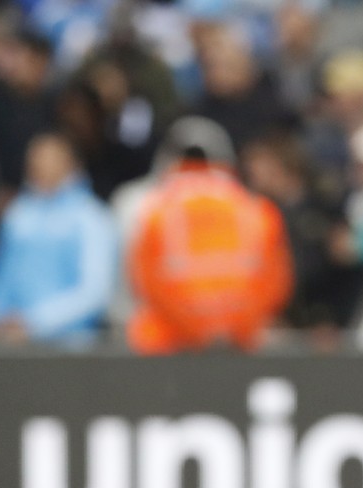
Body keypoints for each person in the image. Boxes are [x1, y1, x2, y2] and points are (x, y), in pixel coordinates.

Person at [126, 137, 294, 355]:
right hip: (241, 341)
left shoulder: (155, 211)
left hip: (173, 343)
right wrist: (235, 326)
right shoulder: (256, 209)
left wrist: (195, 329)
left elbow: (144, 280)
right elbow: (276, 282)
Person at [0, 131, 117, 346]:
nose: (40, 166)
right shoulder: (18, 213)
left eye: (49, 159)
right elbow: (2, 278)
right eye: (34, 159)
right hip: (10, 344)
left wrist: (35, 322)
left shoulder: (91, 217)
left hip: (73, 346)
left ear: (71, 164)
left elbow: (94, 292)